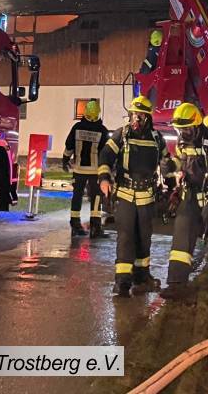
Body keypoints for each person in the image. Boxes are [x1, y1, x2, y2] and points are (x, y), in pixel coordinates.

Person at [161, 104, 208, 306]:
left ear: (196, 126)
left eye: (186, 129)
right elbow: (182, 161)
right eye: (179, 129)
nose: (183, 133)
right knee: (181, 240)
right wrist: (170, 166)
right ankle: (176, 284)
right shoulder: (183, 140)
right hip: (190, 198)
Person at [98, 95, 169, 297]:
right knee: (126, 237)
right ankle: (122, 282)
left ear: (148, 118)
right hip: (125, 194)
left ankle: (142, 277)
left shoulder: (157, 138)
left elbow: (167, 162)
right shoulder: (122, 135)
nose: (135, 119)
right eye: (133, 115)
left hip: (147, 195)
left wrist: (172, 186)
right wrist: (104, 178)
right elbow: (105, 156)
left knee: (144, 238)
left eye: (140, 116)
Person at [62, 99, 109, 238]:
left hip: (79, 170)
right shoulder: (102, 130)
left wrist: (65, 160)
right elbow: (106, 152)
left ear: (85, 112)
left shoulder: (77, 127)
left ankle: (75, 226)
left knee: (77, 197)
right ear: (98, 113)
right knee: (96, 198)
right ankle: (95, 228)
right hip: (95, 171)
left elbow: (69, 146)